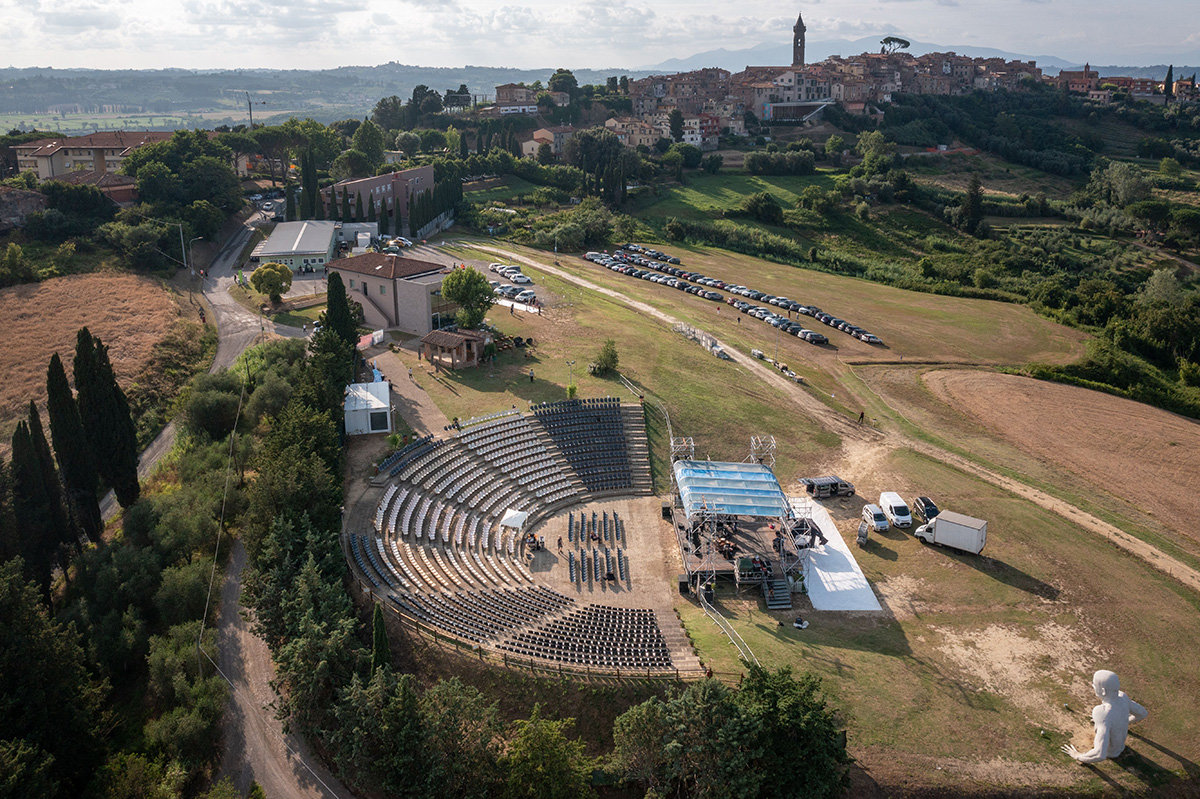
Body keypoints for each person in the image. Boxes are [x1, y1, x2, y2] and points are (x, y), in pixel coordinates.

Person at [1063, 670, 1148, 763]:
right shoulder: (1123, 697)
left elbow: (1100, 754)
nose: (1093, 686)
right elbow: (1142, 714)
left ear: (1103, 691)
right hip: (1120, 746)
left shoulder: (1102, 712)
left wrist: (1078, 756)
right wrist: (1122, 723)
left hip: (1111, 752)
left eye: (1095, 685)